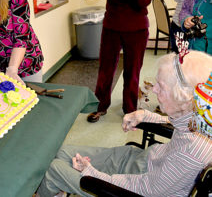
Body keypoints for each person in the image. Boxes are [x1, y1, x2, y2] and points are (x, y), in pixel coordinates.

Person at [36, 50, 212, 196]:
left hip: (134, 185)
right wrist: (145, 115)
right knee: (58, 153)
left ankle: (53, 185)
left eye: (161, 86)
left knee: (52, 170)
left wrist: (91, 173)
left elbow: (144, 190)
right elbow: (180, 122)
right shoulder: (201, 115)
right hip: (141, 160)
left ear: (186, 98)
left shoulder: (191, 153)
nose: (154, 89)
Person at [84, 0, 153, 122]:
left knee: (132, 71)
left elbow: (145, 0)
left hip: (137, 29)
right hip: (112, 28)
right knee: (105, 70)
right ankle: (99, 105)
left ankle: (130, 109)